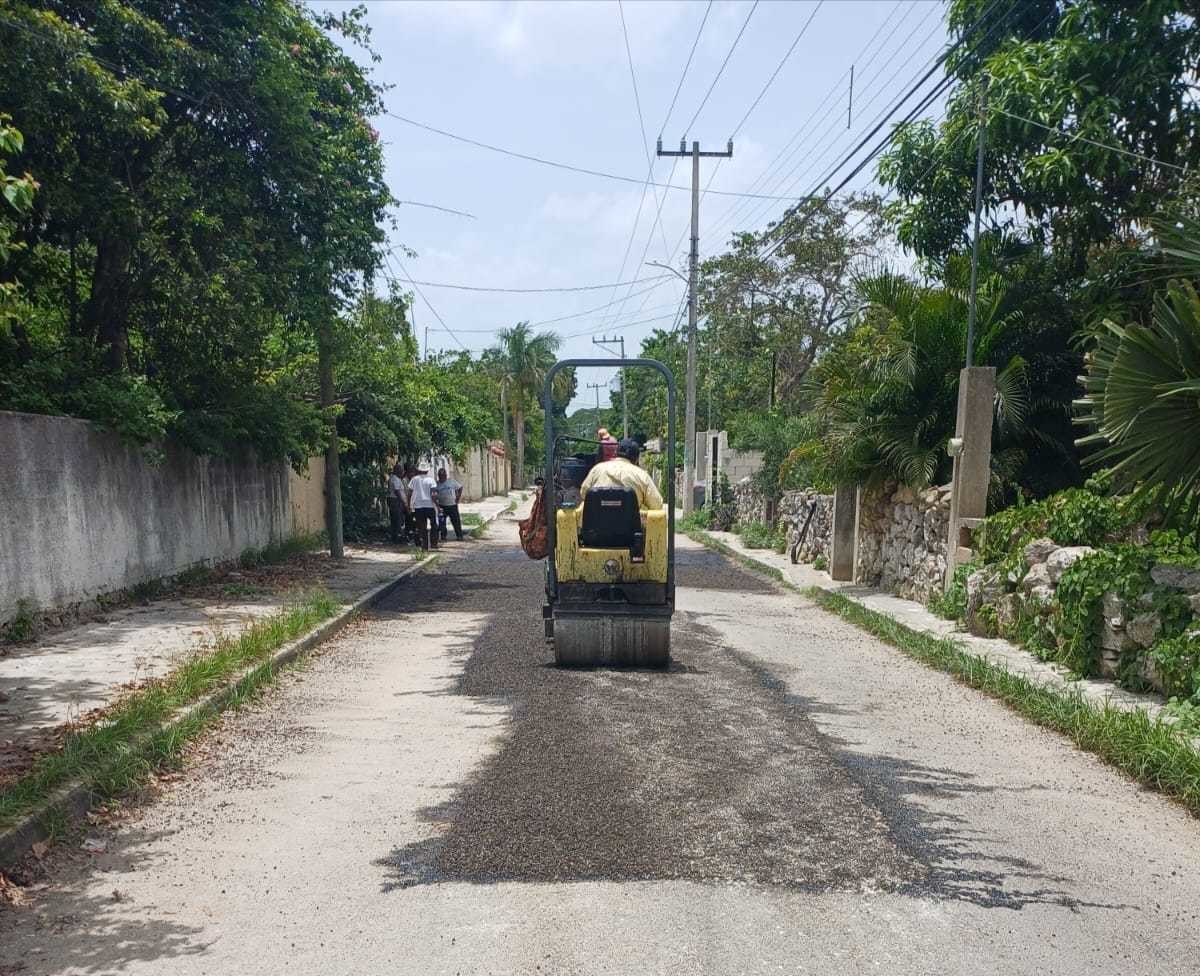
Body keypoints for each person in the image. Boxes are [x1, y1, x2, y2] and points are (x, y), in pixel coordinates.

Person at [580, 437, 664, 510]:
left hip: (596, 527)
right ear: (637, 459)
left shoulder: (597, 469)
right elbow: (657, 505)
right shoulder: (642, 475)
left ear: (616, 453)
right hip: (631, 528)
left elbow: (583, 493)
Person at [407, 464, 439, 550]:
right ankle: (433, 543)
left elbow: (409, 493)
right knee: (434, 524)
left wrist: (409, 505)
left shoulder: (414, 479)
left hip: (418, 506)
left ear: (419, 470)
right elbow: (434, 495)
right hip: (430, 506)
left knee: (422, 526)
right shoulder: (431, 480)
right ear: (427, 471)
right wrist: (437, 505)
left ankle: (424, 546)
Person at [434, 467, 464, 542]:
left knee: (456, 521)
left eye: (443, 475)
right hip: (442, 506)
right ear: (438, 476)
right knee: (442, 522)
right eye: (440, 476)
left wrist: (458, 498)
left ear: (446, 475)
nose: (442, 477)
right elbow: (434, 494)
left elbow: (460, 487)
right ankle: (443, 536)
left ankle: (459, 535)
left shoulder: (451, 482)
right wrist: (437, 504)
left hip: (452, 505)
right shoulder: (436, 484)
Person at [387, 463, 408, 544]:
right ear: (397, 470)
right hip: (396, 501)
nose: (402, 471)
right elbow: (397, 491)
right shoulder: (395, 479)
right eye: (401, 470)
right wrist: (403, 501)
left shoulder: (395, 478)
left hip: (395, 500)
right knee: (397, 519)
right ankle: (397, 538)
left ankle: (396, 537)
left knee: (397, 519)